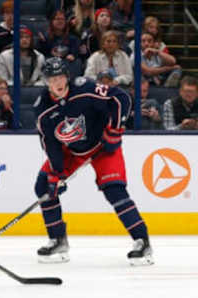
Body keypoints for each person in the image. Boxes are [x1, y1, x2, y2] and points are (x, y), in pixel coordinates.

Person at [34, 57, 153, 266]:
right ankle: (58, 240)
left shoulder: (85, 89)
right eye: (53, 79)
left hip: (103, 146)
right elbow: (51, 145)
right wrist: (57, 172)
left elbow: (121, 98)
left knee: (114, 190)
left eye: (61, 76)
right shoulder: (43, 110)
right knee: (44, 185)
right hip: (72, 151)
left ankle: (142, 241)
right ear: (46, 81)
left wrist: (115, 130)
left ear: (67, 77)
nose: (58, 82)